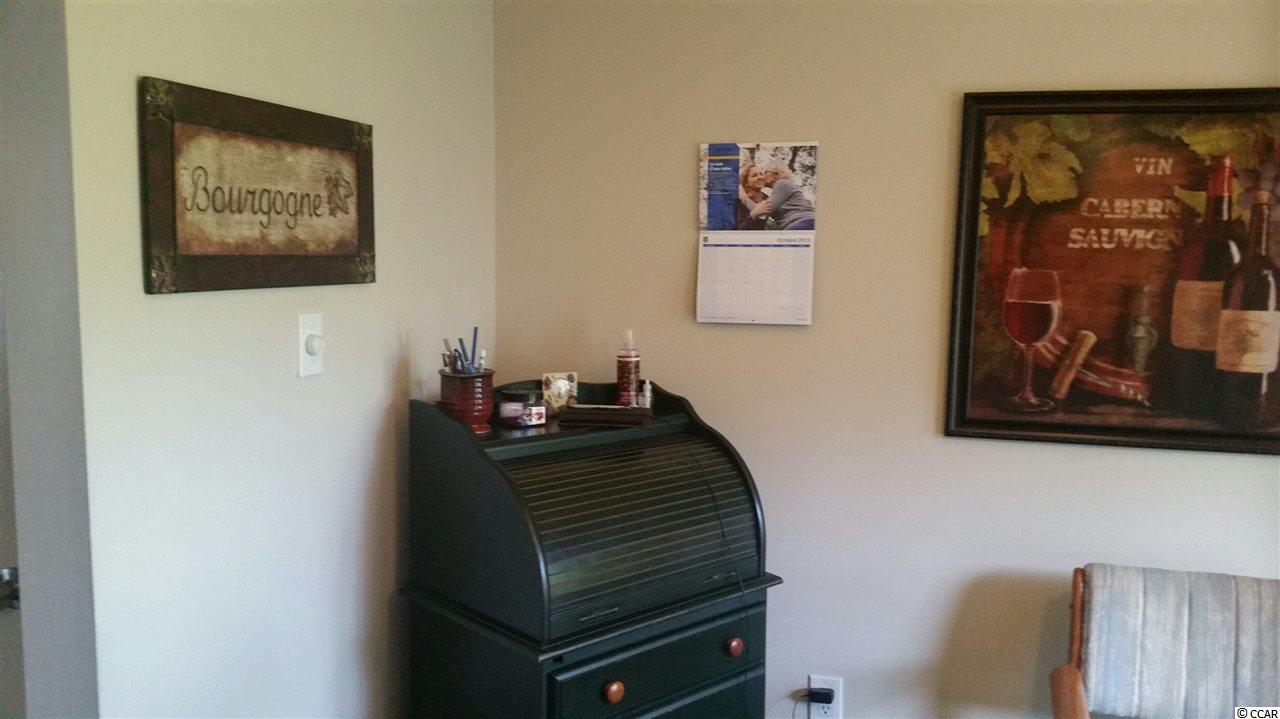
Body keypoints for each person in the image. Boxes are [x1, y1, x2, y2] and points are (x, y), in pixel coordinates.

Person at [759, 163, 815, 230]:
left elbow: (764, 210)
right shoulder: (781, 191)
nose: (762, 176)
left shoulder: (782, 184)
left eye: (765, 172)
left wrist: (746, 200)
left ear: (775, 173)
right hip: (799, 223)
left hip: (801, 222)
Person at [736, 162, 773, 230]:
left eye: (761, 174)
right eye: (754, 175)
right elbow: (739, 230)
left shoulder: (768, 198)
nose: (760, 177)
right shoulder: (740, 203)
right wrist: (753, 215)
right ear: (746, 183)